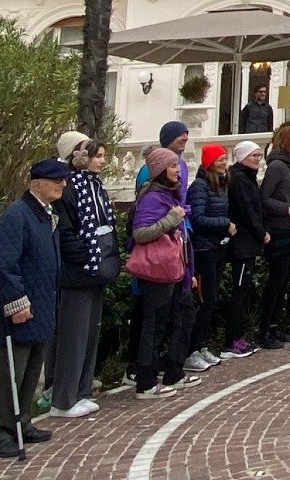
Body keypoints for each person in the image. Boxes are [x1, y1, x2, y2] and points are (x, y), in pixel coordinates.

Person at [0, 159, 69, 457]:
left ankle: (22, 421)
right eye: (56, 180)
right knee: (6, 373)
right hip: (19, 311)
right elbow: (4, 265)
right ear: (37, 183)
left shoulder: (47, 215)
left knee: (31, 370)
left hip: (42, 306)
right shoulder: (18, 216)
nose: (63, 185)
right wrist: (16, 302)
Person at [49, 138, 118, 417]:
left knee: (90, 332)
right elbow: (66, 229)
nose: (102, 160)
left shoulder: (96, 186)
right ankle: (63, 398)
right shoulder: (71, 189)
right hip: (80, 271)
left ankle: (82, 390)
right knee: (73, 335)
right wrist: (82, 256)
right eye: (97, 155)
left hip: (95, 267)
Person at [131, 147, 197, 399]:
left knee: (167, 321)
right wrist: (171, 219)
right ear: (160, 171)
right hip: (156, 271)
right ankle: (146, 381)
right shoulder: (152, 198)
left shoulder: (169, 195)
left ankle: (165, 374)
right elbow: (141, 233)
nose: (177, 171)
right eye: (171, 167)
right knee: (154, 325)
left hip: (172, 269)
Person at [184, 144, 231, 374]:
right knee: (204, 299)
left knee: (211, 299)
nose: (224, 162)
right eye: (220, 159)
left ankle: (201, 344)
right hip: (204, 249)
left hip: (218, 247)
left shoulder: (221, 185)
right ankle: (191, 348)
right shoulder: (200, 187)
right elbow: (199, 218)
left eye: (225, 158)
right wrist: (225, 225)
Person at [258, 125, 290, 350]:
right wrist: (285, 208)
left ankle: (277, 326)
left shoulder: (289, 165)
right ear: (285, 142)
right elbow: (264, 197)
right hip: (282, 231)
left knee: (283, 282)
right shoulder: (277, 166)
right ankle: (265, 329)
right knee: (275, 283)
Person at [222, 140, 267, 359]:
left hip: (249, 243)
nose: (257, 159)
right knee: (239, 292)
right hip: (242, 244)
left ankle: (239, 336)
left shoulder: (247, 178)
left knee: (243, 291)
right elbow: (247, 211)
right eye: (253, 156)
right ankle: (232, 340)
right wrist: (261, 233)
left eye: (259, 156)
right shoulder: (240, 180)